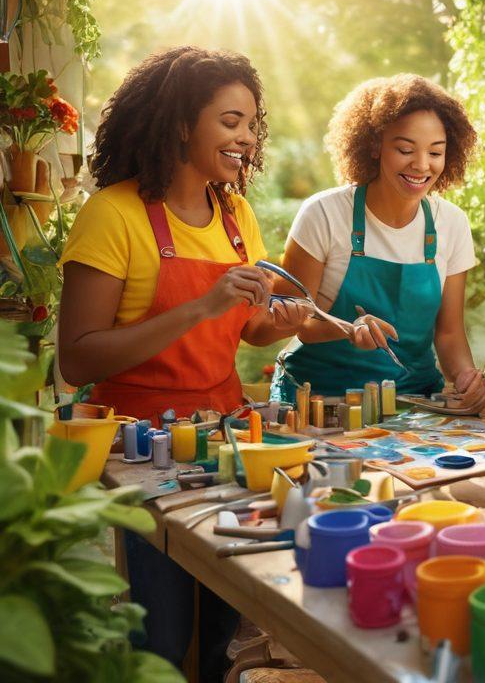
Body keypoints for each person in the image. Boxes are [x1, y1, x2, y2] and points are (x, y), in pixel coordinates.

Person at [58, 47, 311, 678]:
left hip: (226, 439)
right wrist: (200, 307)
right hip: (143, 453)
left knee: (229, 633)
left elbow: (245, 328)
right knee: (162, 642)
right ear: (178, 124)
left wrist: (285, 323)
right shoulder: (111, 214)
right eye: (230, 122)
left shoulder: (236, 216)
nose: (246, 139)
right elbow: (76, 355)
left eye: (252, 124)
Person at [271, 75, 485, 409]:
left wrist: (466, 377)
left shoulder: (452, 224)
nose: (421, 164)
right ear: (374, 145)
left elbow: (448, 333)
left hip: (415, 403)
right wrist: (346, 328)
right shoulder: (325, 214)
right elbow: (300, 322)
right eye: (405, 149)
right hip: (319, 400)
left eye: (435, 152)